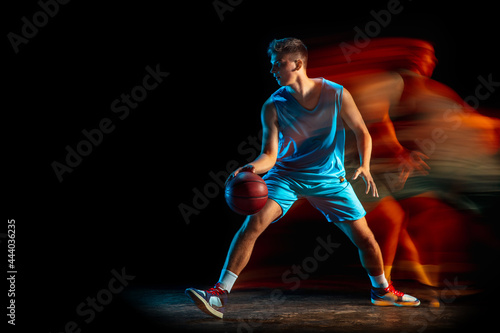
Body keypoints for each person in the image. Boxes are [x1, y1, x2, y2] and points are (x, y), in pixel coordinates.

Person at [185, 37, 420, 319]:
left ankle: (381, 291)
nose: (272, 70)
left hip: (330, 180)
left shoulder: (336, 94)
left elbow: (361, 131)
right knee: (253, 224)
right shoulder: (273, 105)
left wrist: (365, 166)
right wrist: (251, 168)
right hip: (287, 177)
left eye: (278, 64)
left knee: (366, 239)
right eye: (271, 65)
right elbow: (270, 155)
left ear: (297, 64)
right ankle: (219, 294)